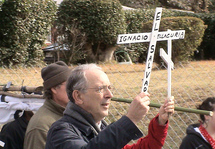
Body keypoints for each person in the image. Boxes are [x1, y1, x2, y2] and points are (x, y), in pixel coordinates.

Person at [45, 63, 174, 149]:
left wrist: (160, 123)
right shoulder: (61, 131)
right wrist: (130, 119)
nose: (109, 95)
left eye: (109, 88)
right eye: (100, 89)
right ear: (78, 96)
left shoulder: (99, 128)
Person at [24, 61, 72, 149]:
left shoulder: (71, 114)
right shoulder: (40, 126)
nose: (75, 89)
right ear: (54, 88)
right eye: (70, 85)